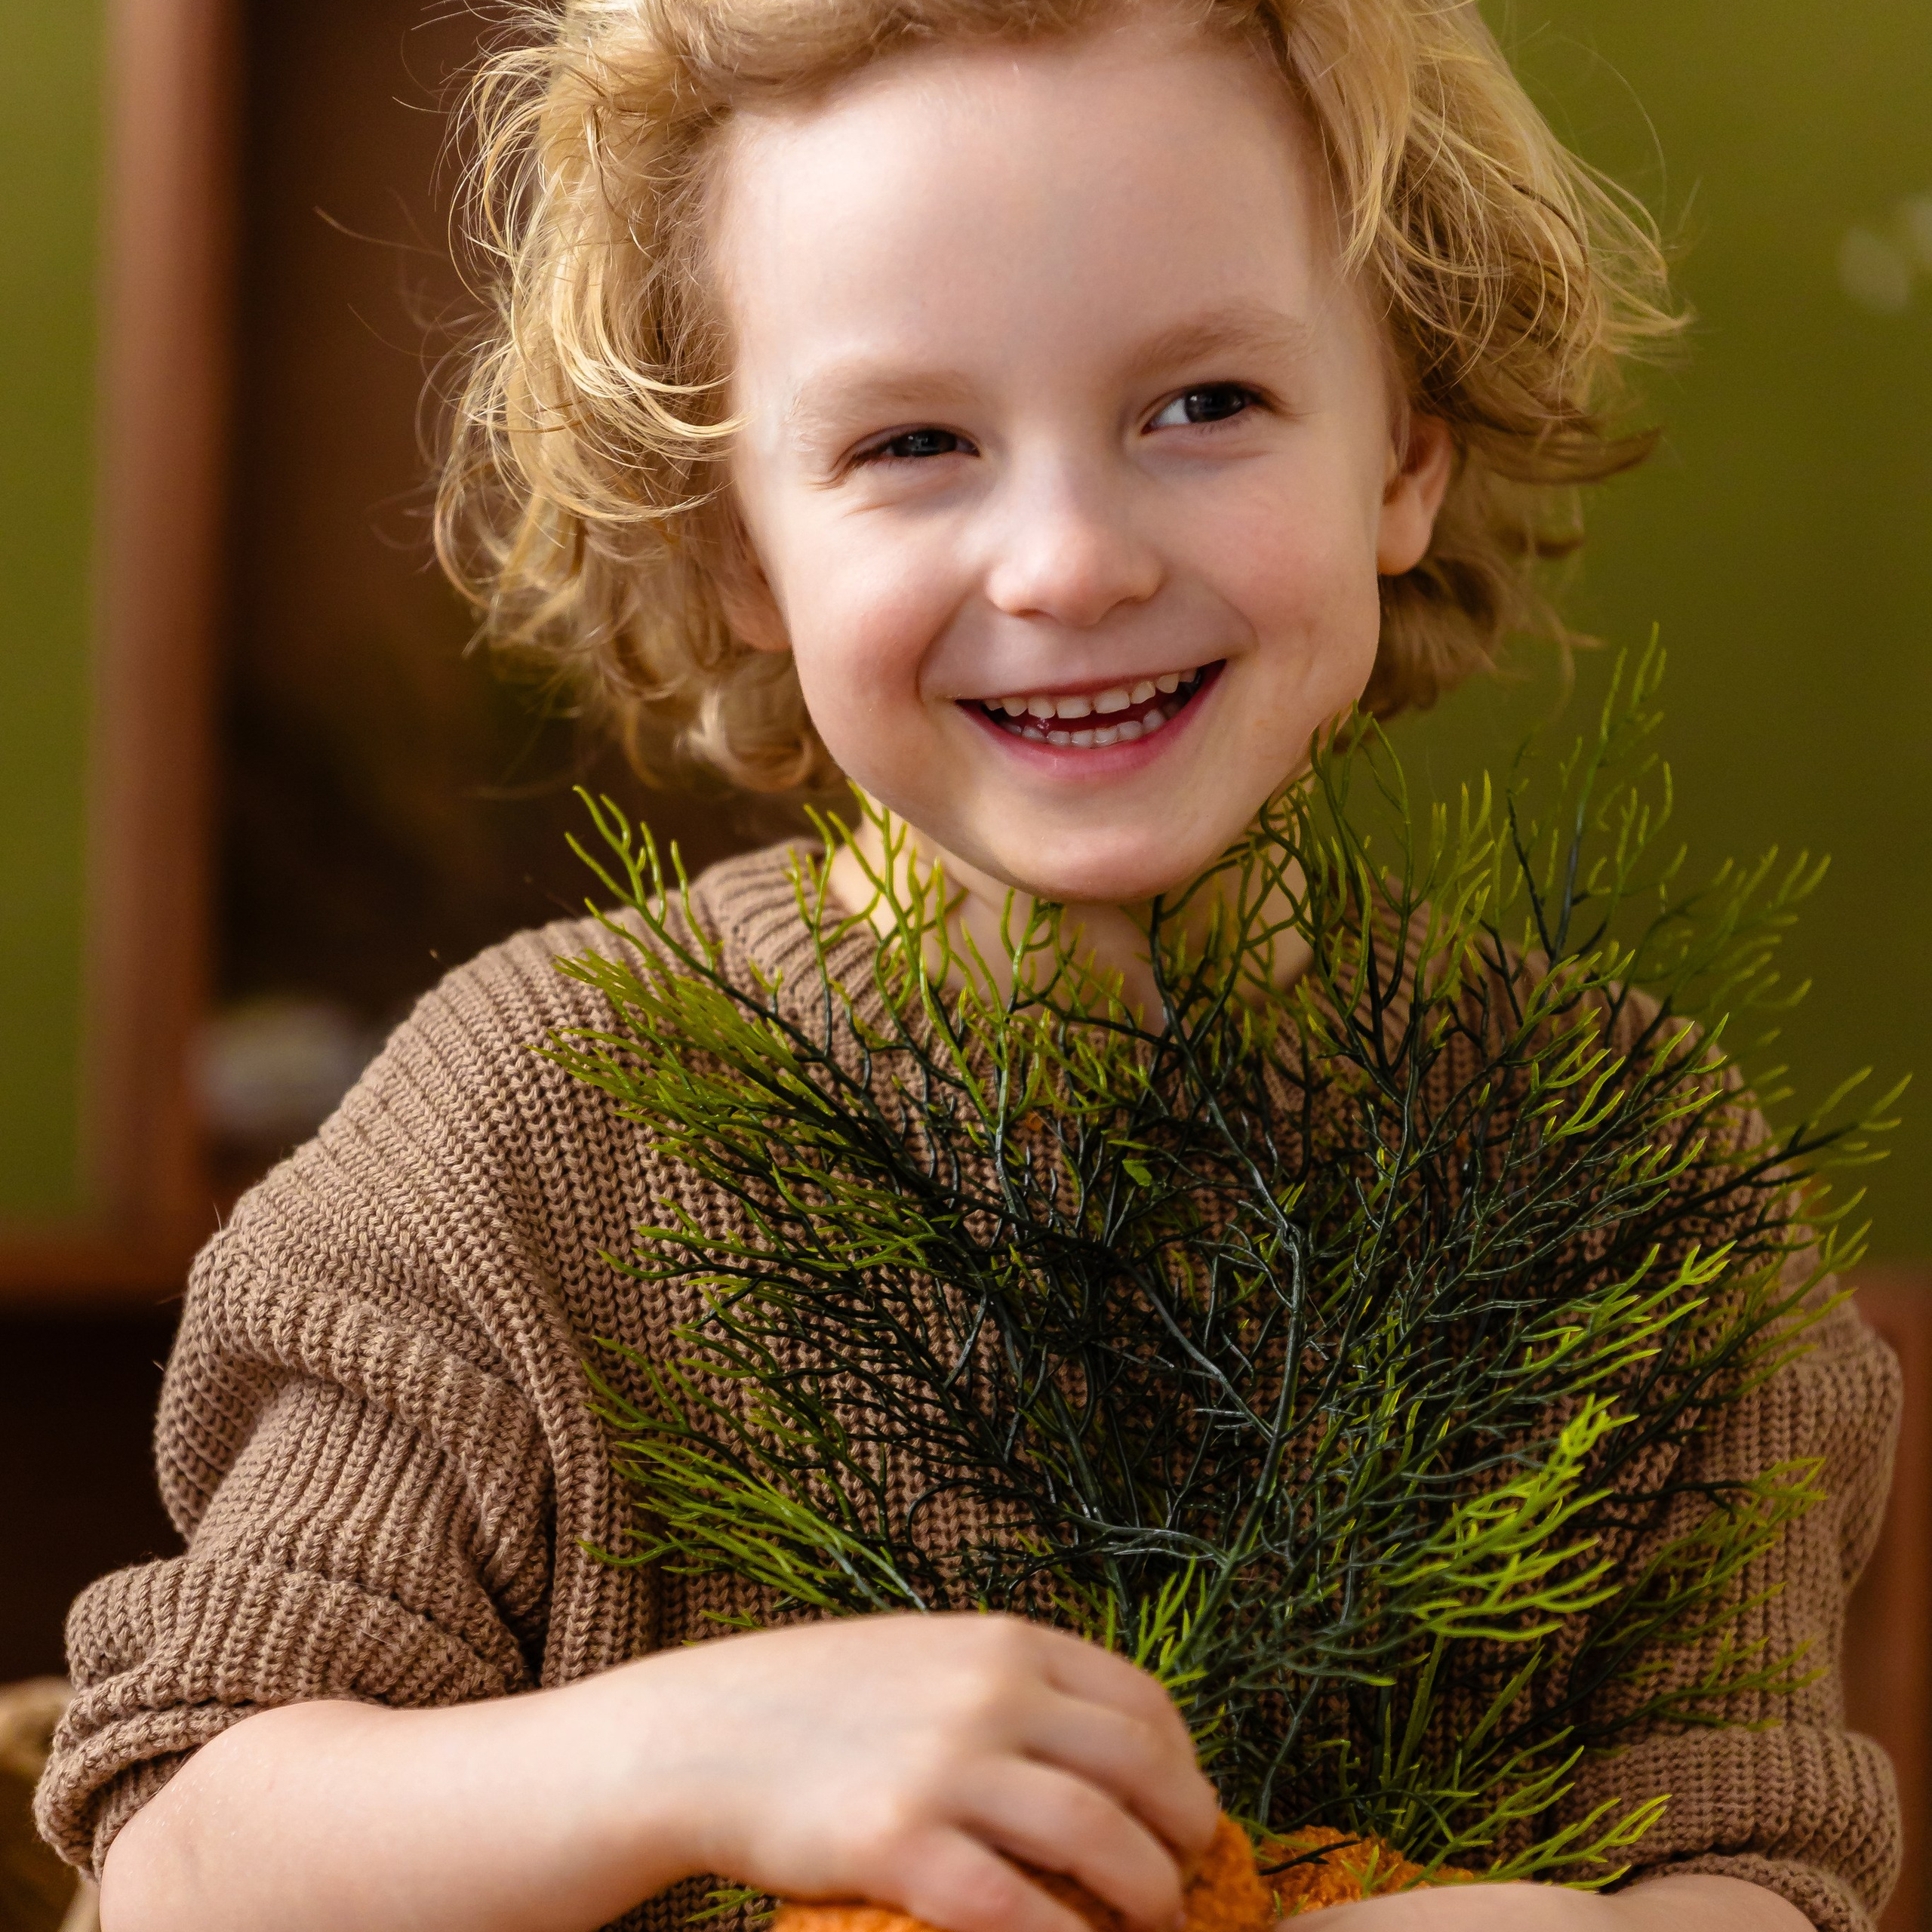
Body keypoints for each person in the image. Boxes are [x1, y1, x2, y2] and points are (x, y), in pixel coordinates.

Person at [36, 3, 1901, 1930]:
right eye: (911, 440)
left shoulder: (1632, 1165)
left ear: (1405, 457)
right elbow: (174, 1873)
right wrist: (695, 1749)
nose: (1066, 563)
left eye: (1202, 406)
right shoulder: (525, 1126)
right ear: (739, 548)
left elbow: (1759, 1859)